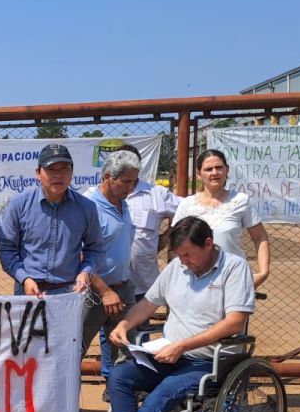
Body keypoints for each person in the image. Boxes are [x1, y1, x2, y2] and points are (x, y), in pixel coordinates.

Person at [66, 216, 255, 412]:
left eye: (189, 254)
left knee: (165, 390)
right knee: (120, 376)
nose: (183, 261)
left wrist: (183, 346)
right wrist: (124, 325)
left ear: (208, 244)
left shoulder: (235, 268)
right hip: (168, 353)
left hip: (210, 360)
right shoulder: (177, 268)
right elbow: (148, 303)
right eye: (178, 256)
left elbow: (235, 322)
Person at [0, 142, 114, 357]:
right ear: (38, 173)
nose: (58, 175)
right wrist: (24, 278)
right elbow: (5, 249)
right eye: (51, 169)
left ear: (72, 172)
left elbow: (96, 249)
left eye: (64, 169)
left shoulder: (86, 208)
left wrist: (85, 272)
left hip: (68, 295)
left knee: (64, 356)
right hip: (28, 292)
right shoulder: (19, 205)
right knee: (26, 355)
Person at [173, 149, 271, 288]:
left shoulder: (240, 201)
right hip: (193, 280)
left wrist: (263, 272)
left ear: (227, 170)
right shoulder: (187, 205)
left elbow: (260, 237)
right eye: (208, 169)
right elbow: (177, 245)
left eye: (219, 167)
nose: (214, 173)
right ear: (198, 174)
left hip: (232, 279)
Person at [84, 150, 141, 373]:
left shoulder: (122, 203)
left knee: (128, 348)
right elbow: (79, 256)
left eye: (134, 181)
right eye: (126, 181)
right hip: (92, 292)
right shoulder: (88, 206)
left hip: (123, 289)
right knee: (75, 346)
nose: (131, 187)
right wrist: (104, 291)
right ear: (108, 177)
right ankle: (62, 402)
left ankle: (117, 394)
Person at [116, 144, 181, 300]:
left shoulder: (156, 194)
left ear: (138, 166)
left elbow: (187, 210)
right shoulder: (100, 197)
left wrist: (166, 236)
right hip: (111, 286)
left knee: (141, 323)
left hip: (143, 285)